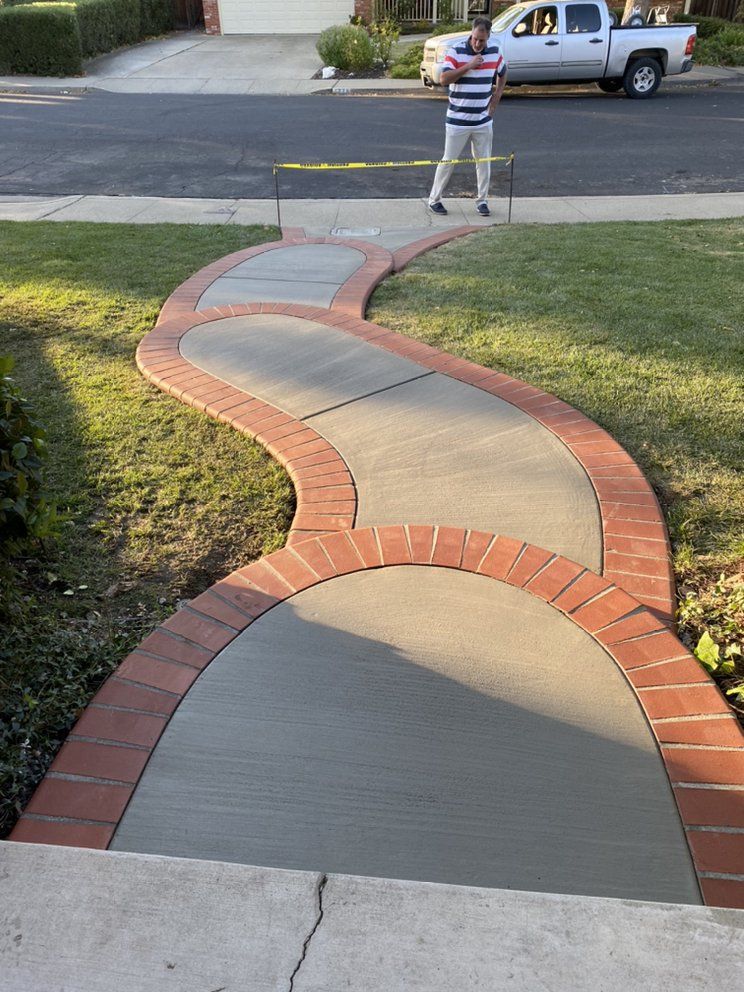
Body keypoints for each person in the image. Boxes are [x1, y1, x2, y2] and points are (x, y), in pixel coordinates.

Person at [428, 16, 507, 218]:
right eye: (474, 38)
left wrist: (496, 96)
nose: (477, 43)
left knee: (484, 161)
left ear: (488, 37)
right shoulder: (456, 51)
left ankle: (482, 201)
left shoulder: (495, 52)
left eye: (482, 40)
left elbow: (503, 72)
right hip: (457, 120)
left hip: (482, 120)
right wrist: (469, 65)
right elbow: (444, 79)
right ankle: (434, 199)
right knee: (449, 160)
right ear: (471, 33)